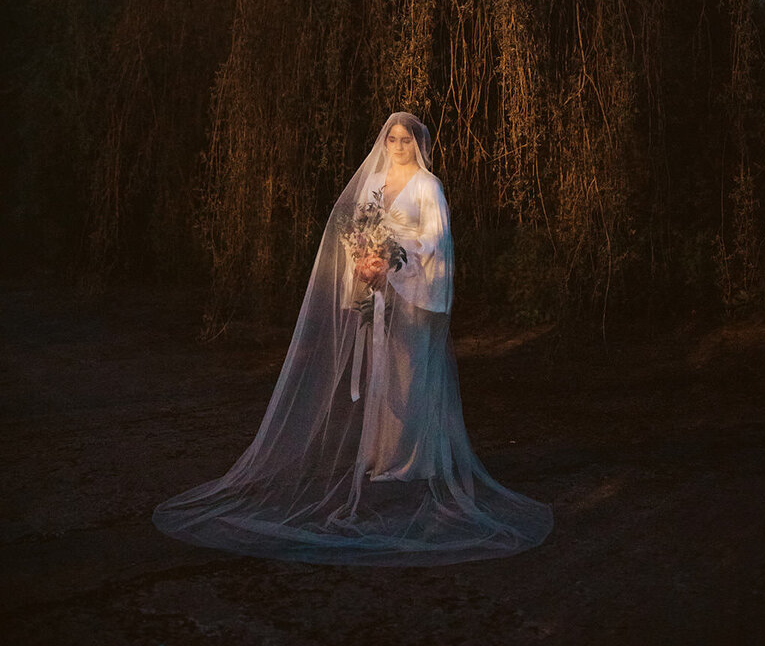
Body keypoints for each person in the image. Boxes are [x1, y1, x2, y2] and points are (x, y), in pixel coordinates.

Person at [152, 111, 553, 565]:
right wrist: (364, 265)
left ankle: (414, 458)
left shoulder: (428, 186)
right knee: (381, 369)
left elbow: (436, 239)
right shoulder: (376, 183)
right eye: (392, 139)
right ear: (384, 143)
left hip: (412, 294)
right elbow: (358, 232)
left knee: (412, 371)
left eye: (405, 140)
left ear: (417, 144)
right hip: (379, 294)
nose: (398, 147)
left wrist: (395, 263)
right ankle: (381, 456)